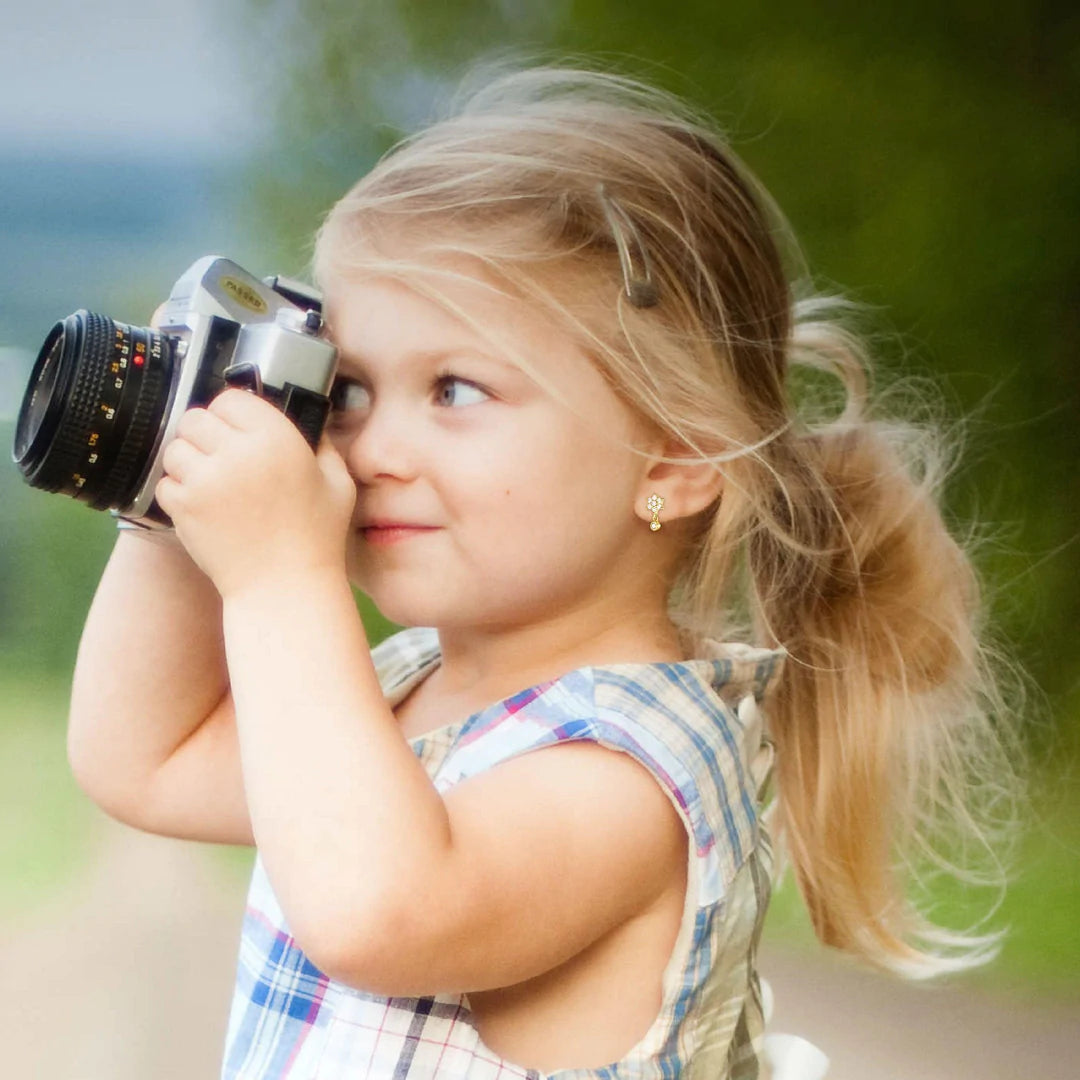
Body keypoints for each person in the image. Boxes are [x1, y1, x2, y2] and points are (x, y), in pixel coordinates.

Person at [66, 63, 1022, 1079]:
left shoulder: (633, 770)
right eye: (347, 391)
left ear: (674, 459)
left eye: (456, 389)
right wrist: (172, 492)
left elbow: (380, 911)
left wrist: (278, 579)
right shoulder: (404, 684)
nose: (373, 448)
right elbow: (146, 761)